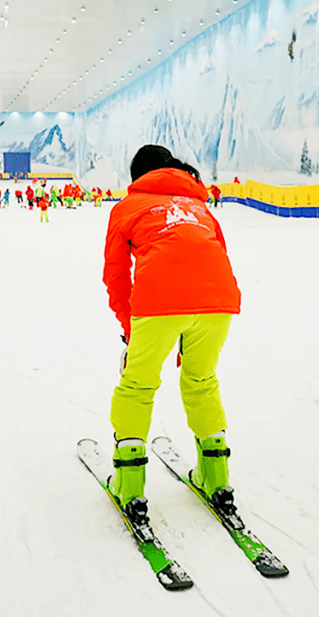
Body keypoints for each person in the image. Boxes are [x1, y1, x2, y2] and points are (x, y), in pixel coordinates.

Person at [102, 144, 241, 520]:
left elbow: (116, 275)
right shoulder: (199, 206)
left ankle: (130, 485)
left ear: (138, 177)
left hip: (159, 301)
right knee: (201, 381)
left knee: (138, 385)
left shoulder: (127, 207)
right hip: (219, 300)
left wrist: (131, 328)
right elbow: (216, 256)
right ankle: (216, 478)